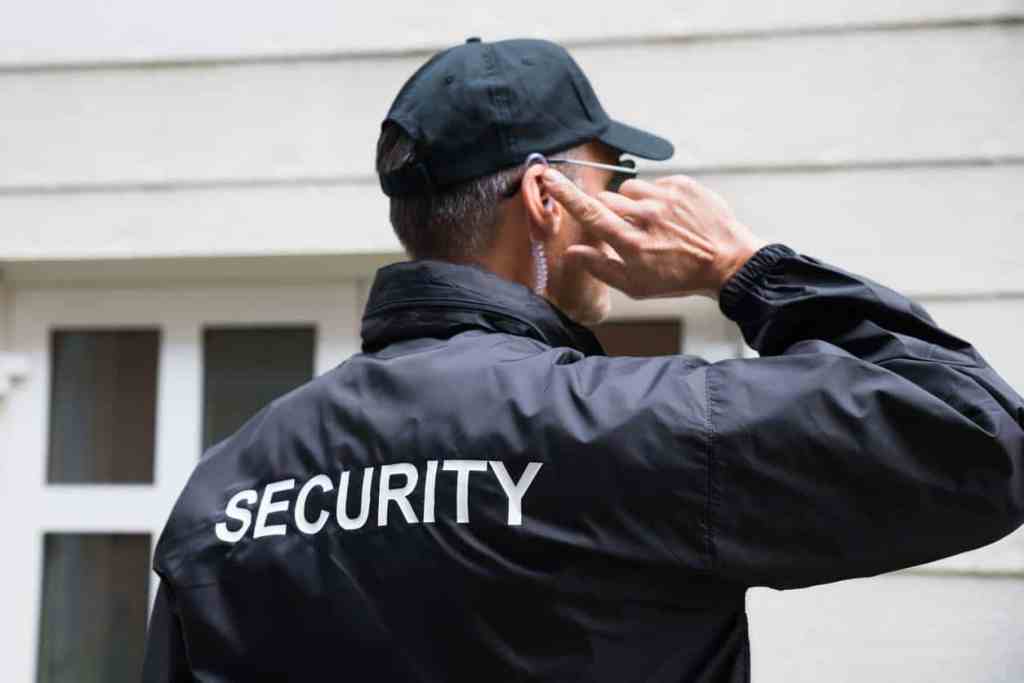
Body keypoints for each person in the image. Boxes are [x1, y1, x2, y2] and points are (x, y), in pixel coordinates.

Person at [142, 37, 1024, 682]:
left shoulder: (227, 485)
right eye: (616, 175)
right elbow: (979, 435)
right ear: (546, 196)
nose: (631, 197)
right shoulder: (632, 426)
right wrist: (741, 267)